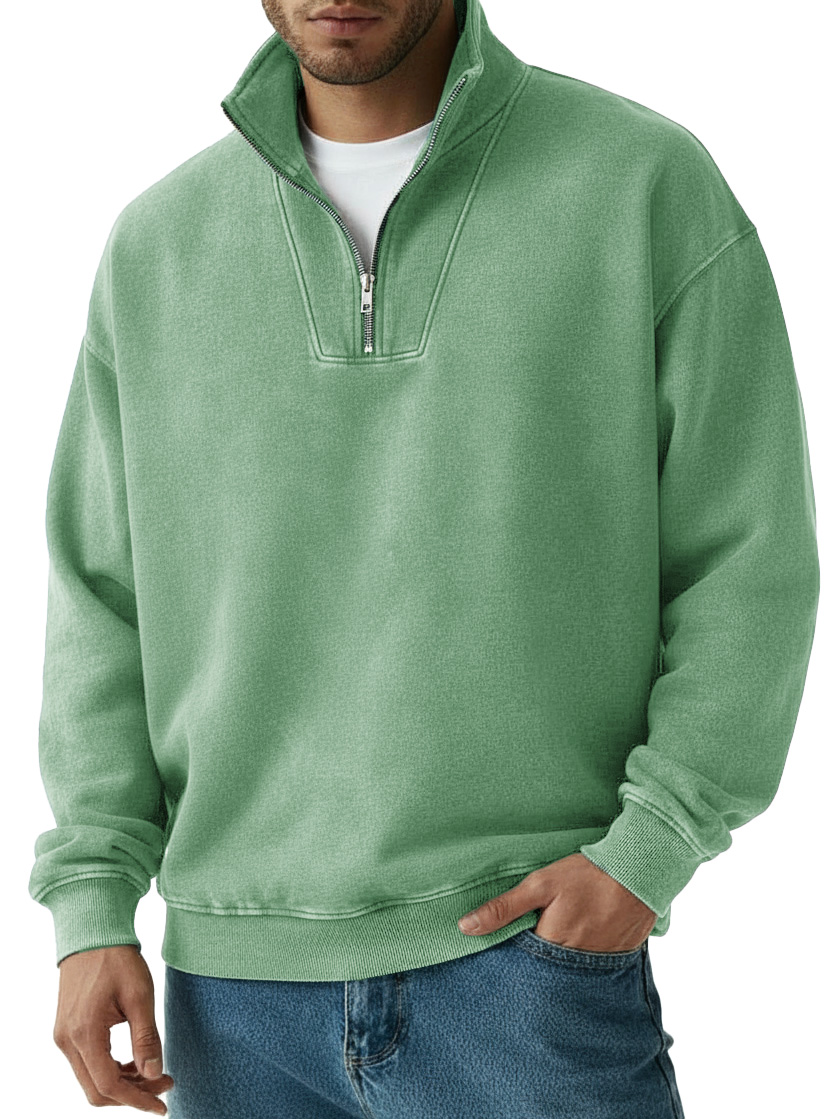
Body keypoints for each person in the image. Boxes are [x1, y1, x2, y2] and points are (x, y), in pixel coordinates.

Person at [28, 0, 820, 1115]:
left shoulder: (639, 184)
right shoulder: (159, 242)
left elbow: (746, 555)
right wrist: (91, 905)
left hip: (526, 969)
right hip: (230, 998)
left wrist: (648, 851)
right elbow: (101, 603)